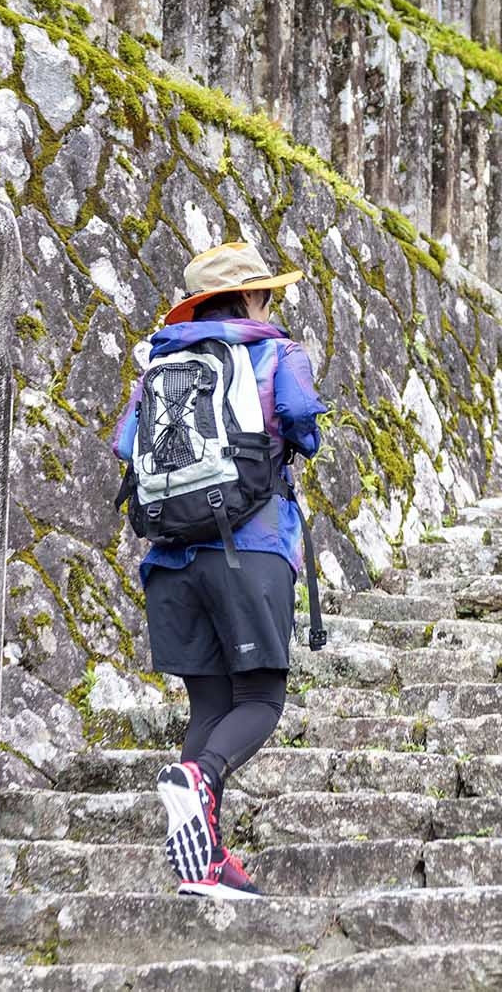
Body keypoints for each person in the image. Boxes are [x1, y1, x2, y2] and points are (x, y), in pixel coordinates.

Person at [111, 241, 325, 900]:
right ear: (252, 295)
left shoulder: (160, 363)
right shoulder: (277, 352)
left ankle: (203, 864)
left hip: (171, 558)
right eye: (267, 293)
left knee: (208, 704)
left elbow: (125, 444)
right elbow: (301, 419)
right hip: (250, 550)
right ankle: (199, 778)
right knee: (259, 700)